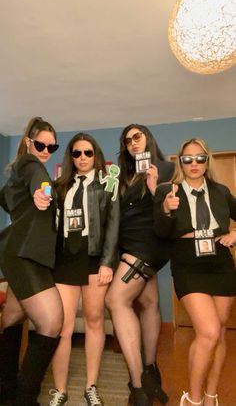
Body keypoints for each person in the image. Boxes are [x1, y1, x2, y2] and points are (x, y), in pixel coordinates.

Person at [153, 138, 236, 406]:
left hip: (220, 261)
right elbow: (160, 233)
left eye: (200, 158)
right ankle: (194, 398)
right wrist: (166, 210)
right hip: (188, 262)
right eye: (187, 159)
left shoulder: (221, 191)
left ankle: (212, 394)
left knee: (218, 332)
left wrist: (235, 234)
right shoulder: (169, 191)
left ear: (207, 160)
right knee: (209, 331)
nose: (194, 164)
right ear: (180, 162)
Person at [41, 133, 119, 406]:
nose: (83, 158)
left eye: (88, 153)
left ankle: (91, 386)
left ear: (95, 155)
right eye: (77, 153)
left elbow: (113, 225)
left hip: (94, 257)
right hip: (65, 258)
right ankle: (60, 390)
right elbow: (46, 219)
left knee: (94, 320)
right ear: (70, 157)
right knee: (62, 326)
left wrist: (107, 262)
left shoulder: (108, 184)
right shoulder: (59, 186)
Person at [106, 124, 174, 406]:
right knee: (147, 303)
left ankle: (138, 385)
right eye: (127, 140)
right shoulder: (122, 175)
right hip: (129, 245)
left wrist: (154, 186)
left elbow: (167, 204)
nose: (133, 143)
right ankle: (151, 374)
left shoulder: (163, 168)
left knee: (115, 300)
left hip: (146, 244)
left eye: (137, 137)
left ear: (147, 139)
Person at [0, 117, 64, 406]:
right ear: (29, 142)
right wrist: (43, 193)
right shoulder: (30, 165)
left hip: (22, 252)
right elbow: (42, 185)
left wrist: (34, 199)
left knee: (12, 316)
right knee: (51, 321)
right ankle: (25, 398)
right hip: (24, 253)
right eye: (41, 144)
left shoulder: (15, 173)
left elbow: (8, 199)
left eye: (52, 147)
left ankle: (6, 388)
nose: (46, 151)